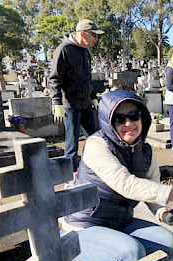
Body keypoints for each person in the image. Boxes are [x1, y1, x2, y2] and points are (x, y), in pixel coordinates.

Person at [61, 90, 173, 261]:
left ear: (142, 118)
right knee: (131, 253)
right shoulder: (96, 145)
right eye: (119, 119)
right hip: (84, 227)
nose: (128, 124)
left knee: (169, 245)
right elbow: (126, 184)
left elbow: (151, 187)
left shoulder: (145, 150)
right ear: (107, 122)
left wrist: (162, 211)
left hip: (119, 223)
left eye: (133, 116)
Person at [48, 19, 103, 170]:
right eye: (94, 35)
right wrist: (57, 103)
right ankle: (69, 175)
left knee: (95, 138)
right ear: (83, 34)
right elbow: (54, 79)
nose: (96, 40)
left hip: (86, 104)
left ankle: (94, 168)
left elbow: (87, 78)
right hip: (70, 105)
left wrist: (93, 97)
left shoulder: (85, 51)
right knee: (72, 144)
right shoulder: (63, 50)